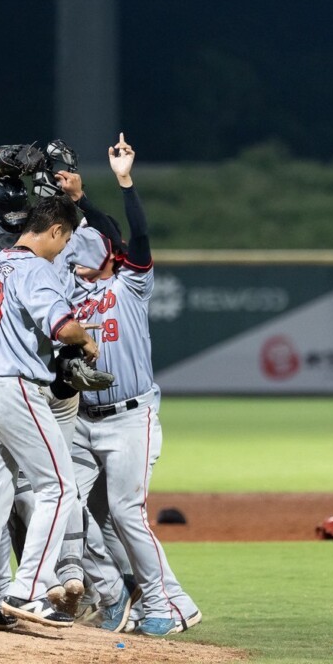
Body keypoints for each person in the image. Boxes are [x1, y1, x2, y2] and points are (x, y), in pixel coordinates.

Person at [60, 134, 202, 636]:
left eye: (87, 246)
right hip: (81, 420)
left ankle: (169, 604)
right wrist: (66, 200)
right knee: (63, 504)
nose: (76, 253)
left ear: (108, 253)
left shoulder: (131, 285)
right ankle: (118, 593)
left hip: (129, 418)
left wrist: (119, 184)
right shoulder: (68, 292)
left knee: (125, 513)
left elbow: (134, 237)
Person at [0, 196, 99, 630]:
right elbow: (62, 326)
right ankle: (29, 591)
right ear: (55, 230)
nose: (63, 247)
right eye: (65, 239)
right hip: (14, 389)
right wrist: (85, 341)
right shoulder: (37, 269)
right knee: (60, 487)